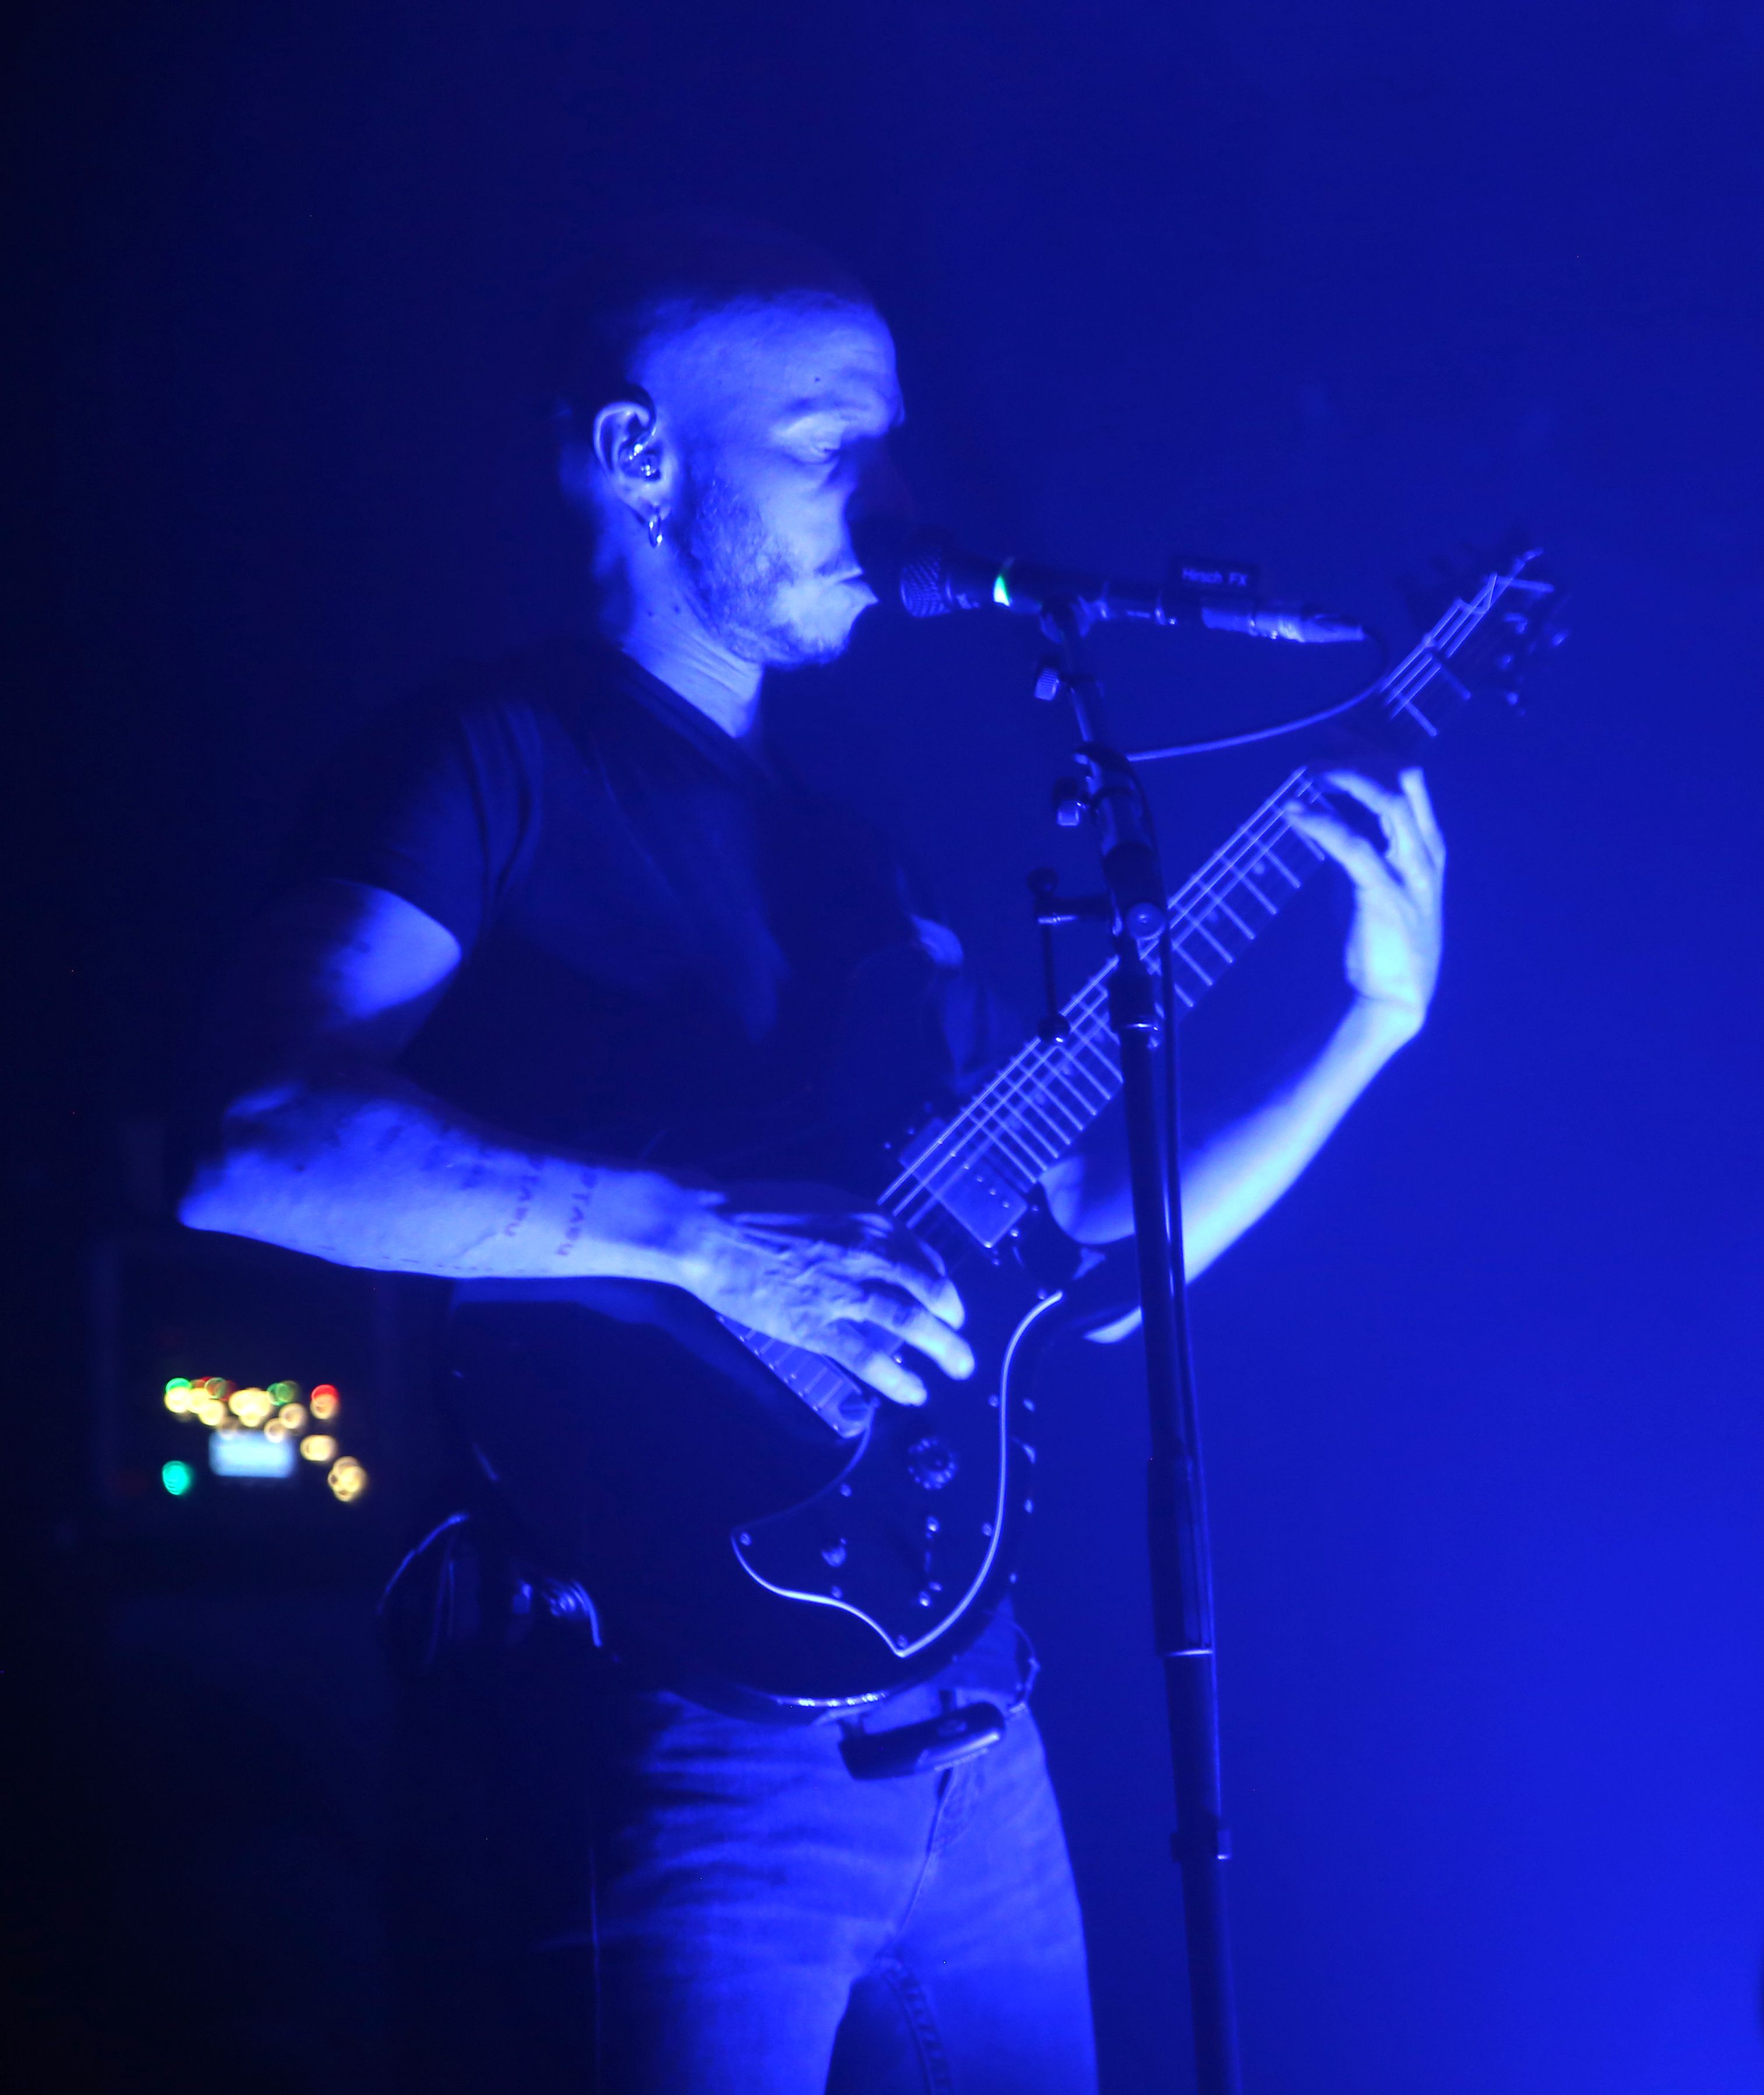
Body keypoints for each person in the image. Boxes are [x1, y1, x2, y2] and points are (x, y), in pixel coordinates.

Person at [178, 218, 1446, 2094]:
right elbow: (261, 1145)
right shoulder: (490, 761)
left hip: (975, 1727)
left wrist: (1363, 1031)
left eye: (892, 440)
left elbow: (1086, 1261)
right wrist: (700, 1239)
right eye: (826, 439)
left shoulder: (854, 856)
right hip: (675, 1733)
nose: (891, 492)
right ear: (639, 457)